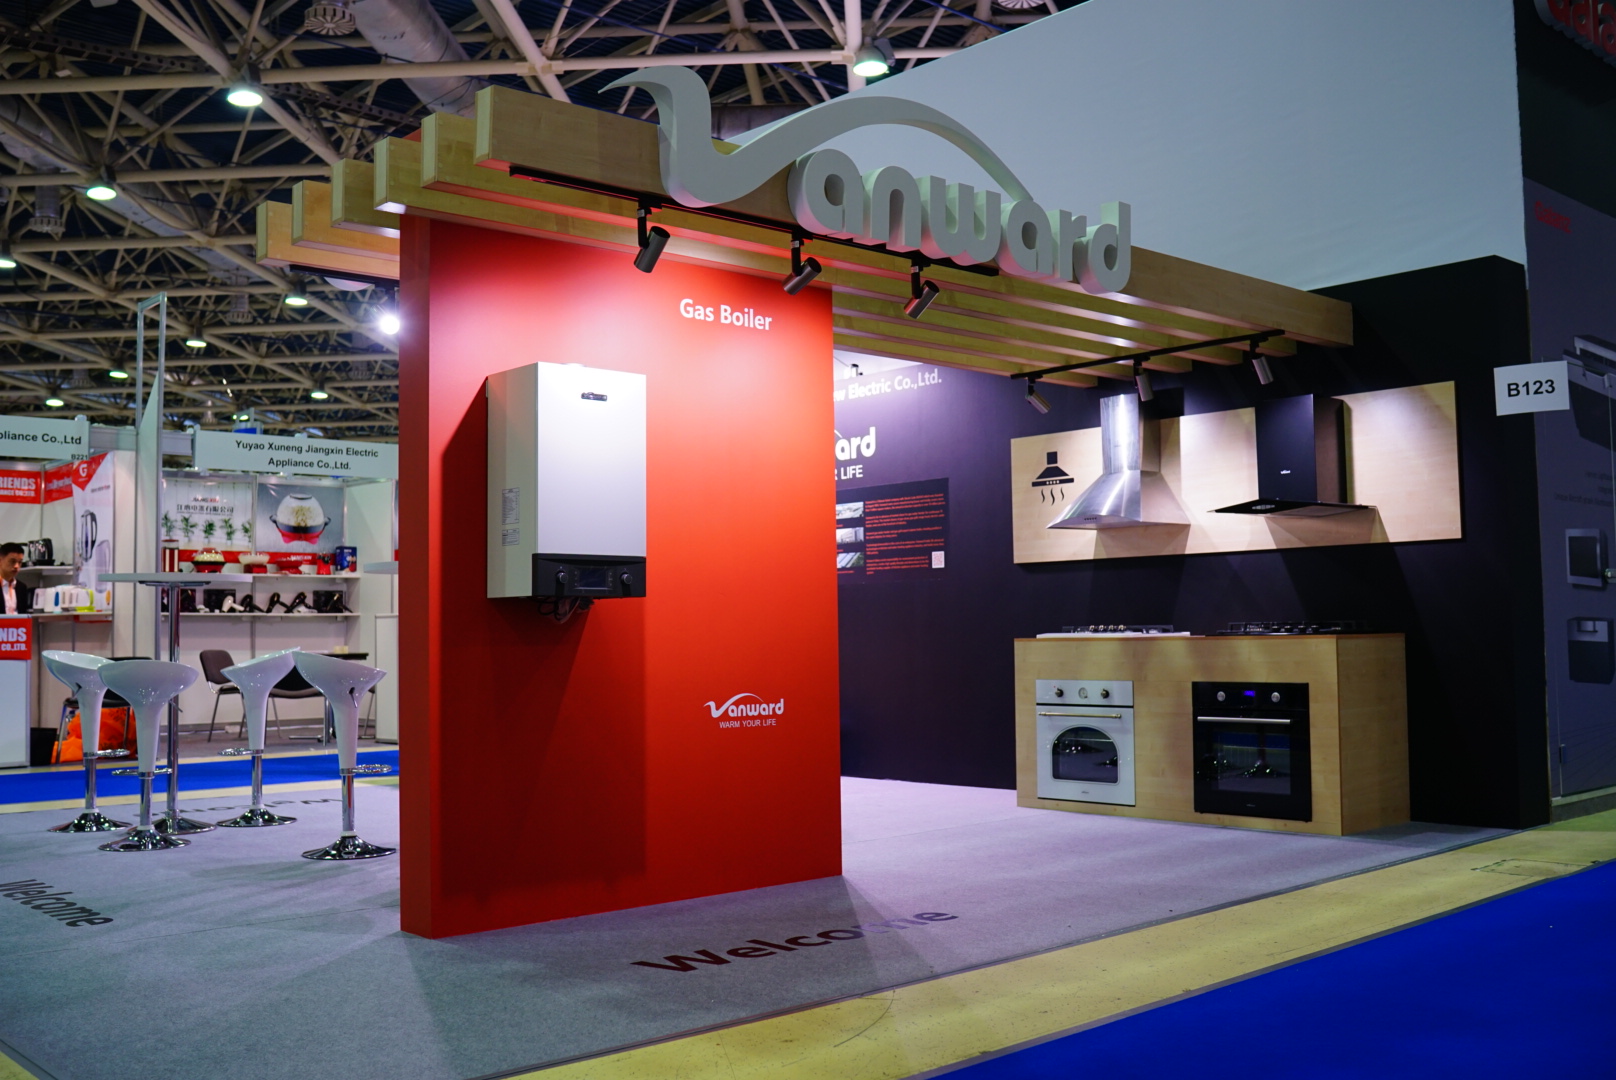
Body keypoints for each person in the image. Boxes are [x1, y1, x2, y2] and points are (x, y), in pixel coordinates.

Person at [0, 542, 32, 615]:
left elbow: (23, 614)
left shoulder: (21, 587)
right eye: (12, 561)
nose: (16, 566)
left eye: (20, 562)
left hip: (18, 622)